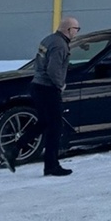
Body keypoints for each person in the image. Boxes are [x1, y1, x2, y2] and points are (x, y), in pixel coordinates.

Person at [26, 15, 81, 177]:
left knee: (43, 122)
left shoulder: (48, 40)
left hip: (37, 85)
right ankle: (51, 165)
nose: (76, 33)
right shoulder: (60, 46)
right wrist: (60, 85)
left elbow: (39, 62)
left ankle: (15, 148)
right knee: (55, 128)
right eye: (76, 29)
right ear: (69, 29)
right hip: (48, 89)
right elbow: (53, 69)